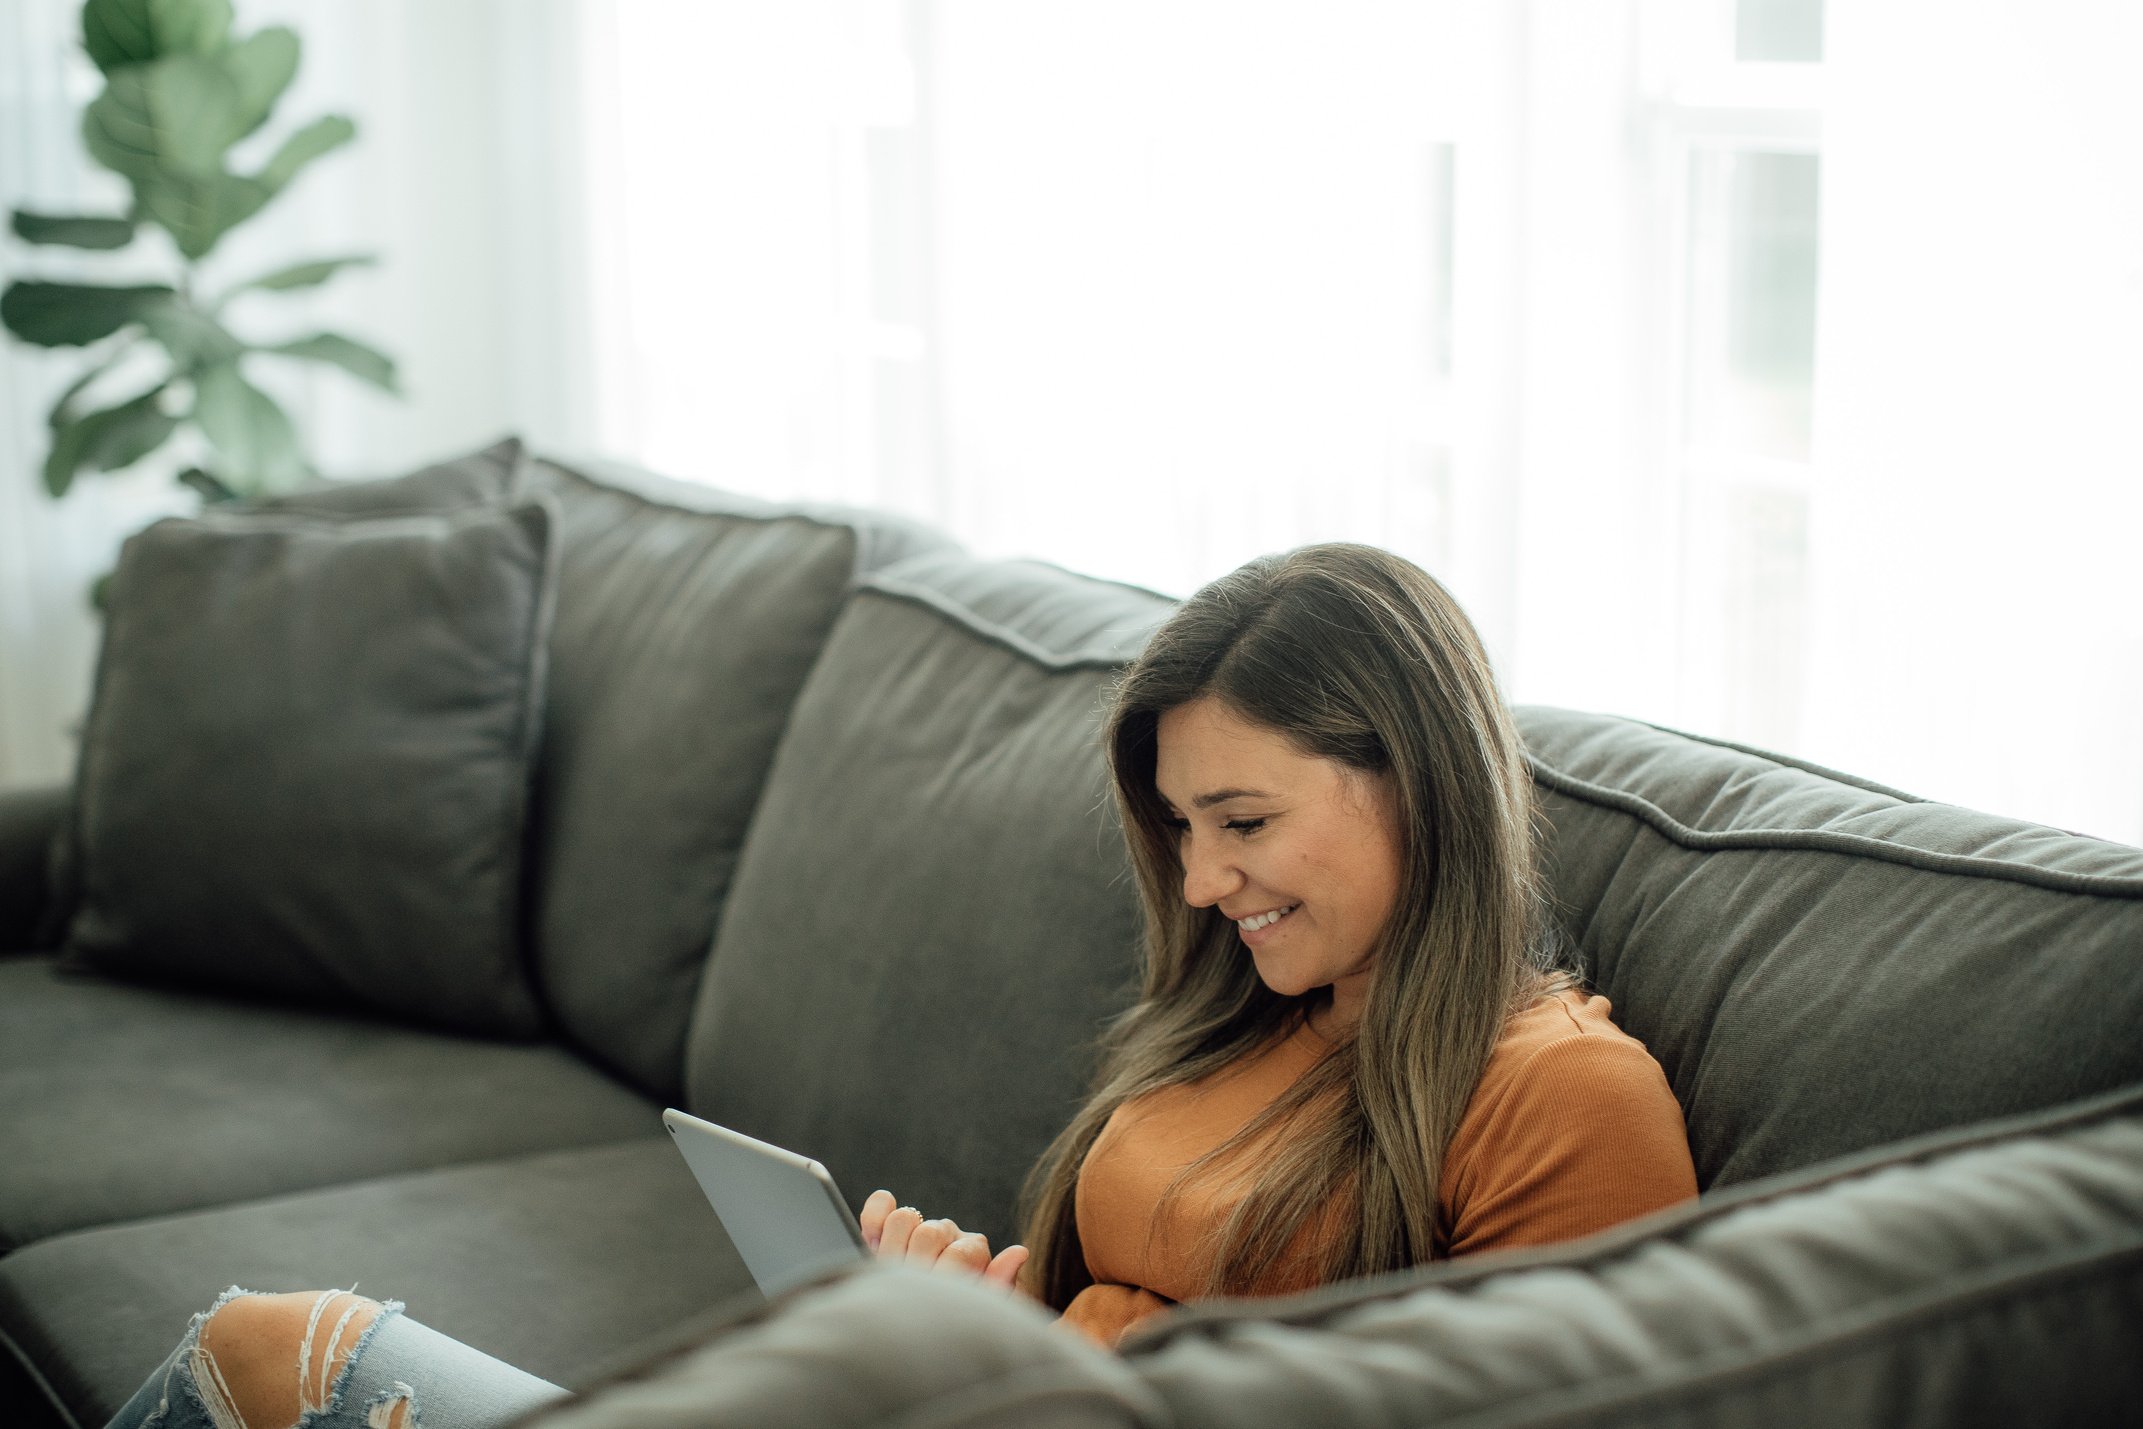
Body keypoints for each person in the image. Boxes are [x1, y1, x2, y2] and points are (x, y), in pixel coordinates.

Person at [103, 543, 1697, 1429]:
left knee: (281, 1351)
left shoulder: (1561, 1093)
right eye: (1182, 830)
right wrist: (993, 1321)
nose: (1205, 883)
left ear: (1414, 777)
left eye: (1244, 821)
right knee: (266, 1343)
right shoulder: (1259, 1013)